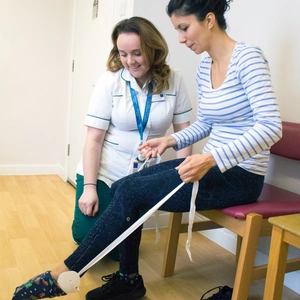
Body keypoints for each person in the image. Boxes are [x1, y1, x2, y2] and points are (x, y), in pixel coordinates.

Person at [12, 1, 282, 300]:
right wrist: (170, 141)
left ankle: (62, 274)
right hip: (210, 165)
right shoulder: (206, 65)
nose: (180, 38)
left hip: (240, 175)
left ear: (208, 20)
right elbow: (206, 123)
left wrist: (210, 157)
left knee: (130, 193)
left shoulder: (248, 58)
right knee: (122, 187)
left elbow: (271, 127)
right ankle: (128, 279)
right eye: (176, 30)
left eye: (184, 28)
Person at [71, 15, 193, 259]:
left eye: (137, 53)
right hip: (105, 173)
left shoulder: (174, 79)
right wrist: (89, 188)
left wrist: (182, 176)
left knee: (120, 250)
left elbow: (184, 133)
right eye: (122, 54)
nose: (129, 61)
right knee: (89, 241)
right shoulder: (109, 82)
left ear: (153, 49)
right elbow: (93, 140)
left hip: (142, 177)